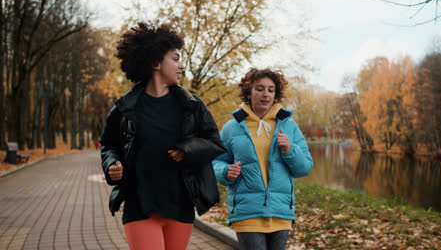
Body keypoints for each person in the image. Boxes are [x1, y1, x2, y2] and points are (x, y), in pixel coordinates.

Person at [100, 22, 225, 250]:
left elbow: (215, 143)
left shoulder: (192, 105)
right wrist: (111, 164)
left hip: (180, 206)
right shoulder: (124, 108)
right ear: (156, 62)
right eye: (175, 59)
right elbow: (109, 144)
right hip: (140, 206)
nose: (181, 65)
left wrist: (188, 150)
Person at [212, 68, 313, 250]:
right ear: (248, 93)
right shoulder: (231, 128)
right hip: (247, 211)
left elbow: (304, 168)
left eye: (270, 90)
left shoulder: (289, 125)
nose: (265, 94)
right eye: (259, 89)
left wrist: (289, 150)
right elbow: (215, 162)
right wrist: (226, 172)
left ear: (276, 94)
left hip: (280, 212)